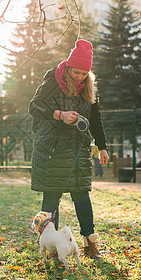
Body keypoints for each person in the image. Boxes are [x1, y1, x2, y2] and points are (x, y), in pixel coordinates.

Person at [28, 39, 109, 259]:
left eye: (84, 73)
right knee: (52, 197)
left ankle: (90, 244)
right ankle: (52, 246)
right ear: (69, 66)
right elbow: (34, 106)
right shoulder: (53, 81)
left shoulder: (89, 87)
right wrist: (59, 114)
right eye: (76, 72)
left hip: (78, 149)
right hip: (52, 148)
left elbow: (96, 118)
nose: (80, 77)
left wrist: (102, 146)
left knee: (81, 195)